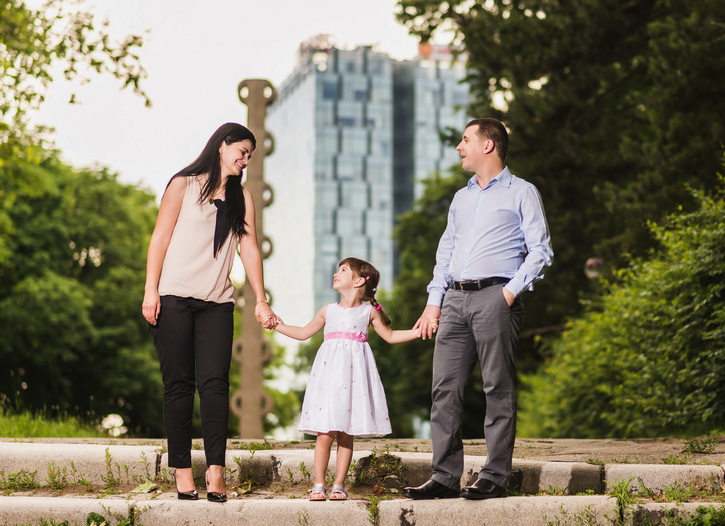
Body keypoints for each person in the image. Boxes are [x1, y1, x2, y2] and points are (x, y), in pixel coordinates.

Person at [403, 118, 553, 501]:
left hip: (495, 297)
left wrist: (508, 293)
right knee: (444, 390)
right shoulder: (461, 197)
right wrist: (434, 302)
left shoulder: (522, 192)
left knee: (496, 387)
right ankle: (444, 476)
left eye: (465, 139)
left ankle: (495, 476)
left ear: (488, 145)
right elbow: (446, 253)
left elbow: (540, 250)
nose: (459, 146)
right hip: (454, 299)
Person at [141, 122, 279, 503]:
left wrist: (261, 298)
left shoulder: (242, 198)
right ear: (222, 145)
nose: (246, 160)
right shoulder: (182, 185)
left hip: (217, 303)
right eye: (242, 151)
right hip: (173, 298)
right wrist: (151, 289)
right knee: (179, 385)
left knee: (215, 385)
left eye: (250, 156)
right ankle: (182, 471)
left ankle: (215, 471)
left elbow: (249, 249)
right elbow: (160, 238)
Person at [265, 257, 426, 500]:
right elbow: (303, 333)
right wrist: (275, 325)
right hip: (329, 378)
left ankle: (338, 485)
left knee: (345, 432)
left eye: (343, 270)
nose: (335, 273)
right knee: (325, 432)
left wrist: (419, 332)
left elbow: (390, 336)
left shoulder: (368, 312)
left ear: (359, 281)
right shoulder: (328, 311)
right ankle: (319, 484)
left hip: (354, 380)